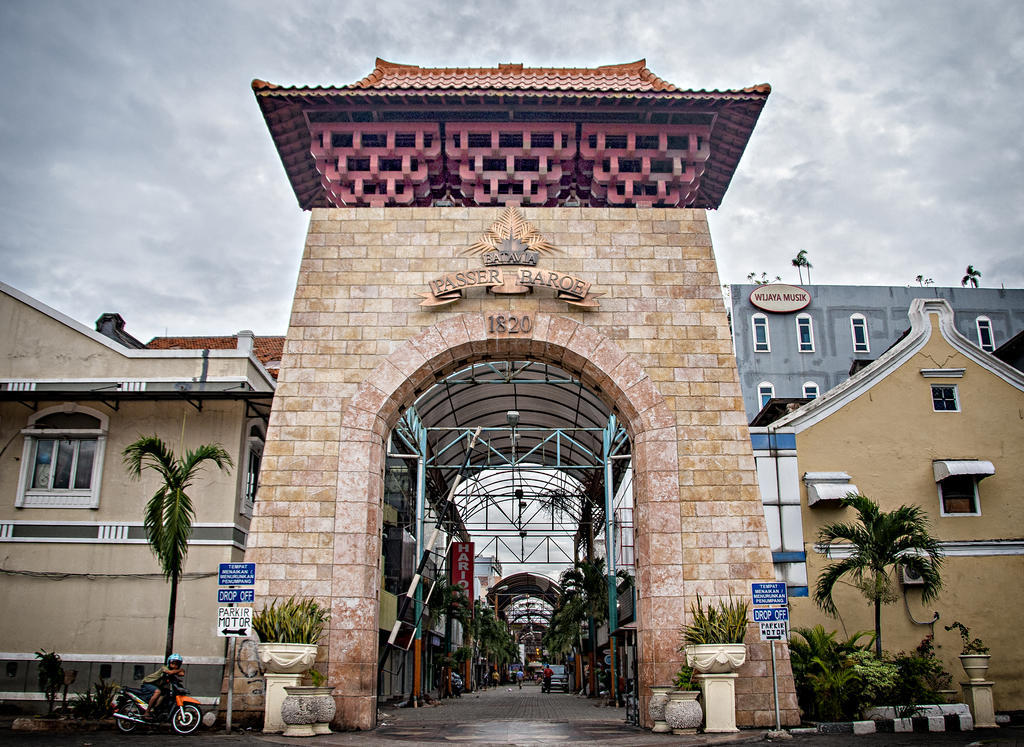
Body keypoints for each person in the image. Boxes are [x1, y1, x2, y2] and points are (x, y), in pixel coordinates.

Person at [140, 654, 184, 718]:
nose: (174, 665)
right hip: (148, 683)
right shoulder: (164, 667)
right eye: (173, 663)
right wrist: (180, 670)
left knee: (163, 695)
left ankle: (155, 710)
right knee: (158, 692)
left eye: (177, 664)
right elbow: (170, 672)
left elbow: (182, 674)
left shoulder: (174, 671)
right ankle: (147, 712)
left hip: (155, 685)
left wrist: (180, 672)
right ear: (169, 662)